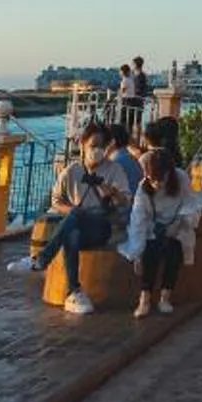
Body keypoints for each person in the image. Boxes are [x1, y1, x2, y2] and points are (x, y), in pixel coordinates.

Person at [14, 125, 123, 313]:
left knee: (74, 220)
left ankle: (41, 259)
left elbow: (124, 200)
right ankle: (75, 291)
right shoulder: (72, 170)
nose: (96, 150)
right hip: (77, 224)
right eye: (93, 145)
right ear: (83, 144)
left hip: (102, 226)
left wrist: (108, 190)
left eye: (101, 146)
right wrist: (71, 211)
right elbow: (55, 200)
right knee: (71, 234)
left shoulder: (114, 170)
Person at [127, 142, 199, 318]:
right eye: (152, 180)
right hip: (154, 229)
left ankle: (165, 297)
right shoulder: (143, 189)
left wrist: (179, 223)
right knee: (149, 252)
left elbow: (191, 205)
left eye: (160, 179)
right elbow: (138, 218)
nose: (156, 184)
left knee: (174, 251)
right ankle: (145, 298)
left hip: (177, 227)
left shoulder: (181, 179)